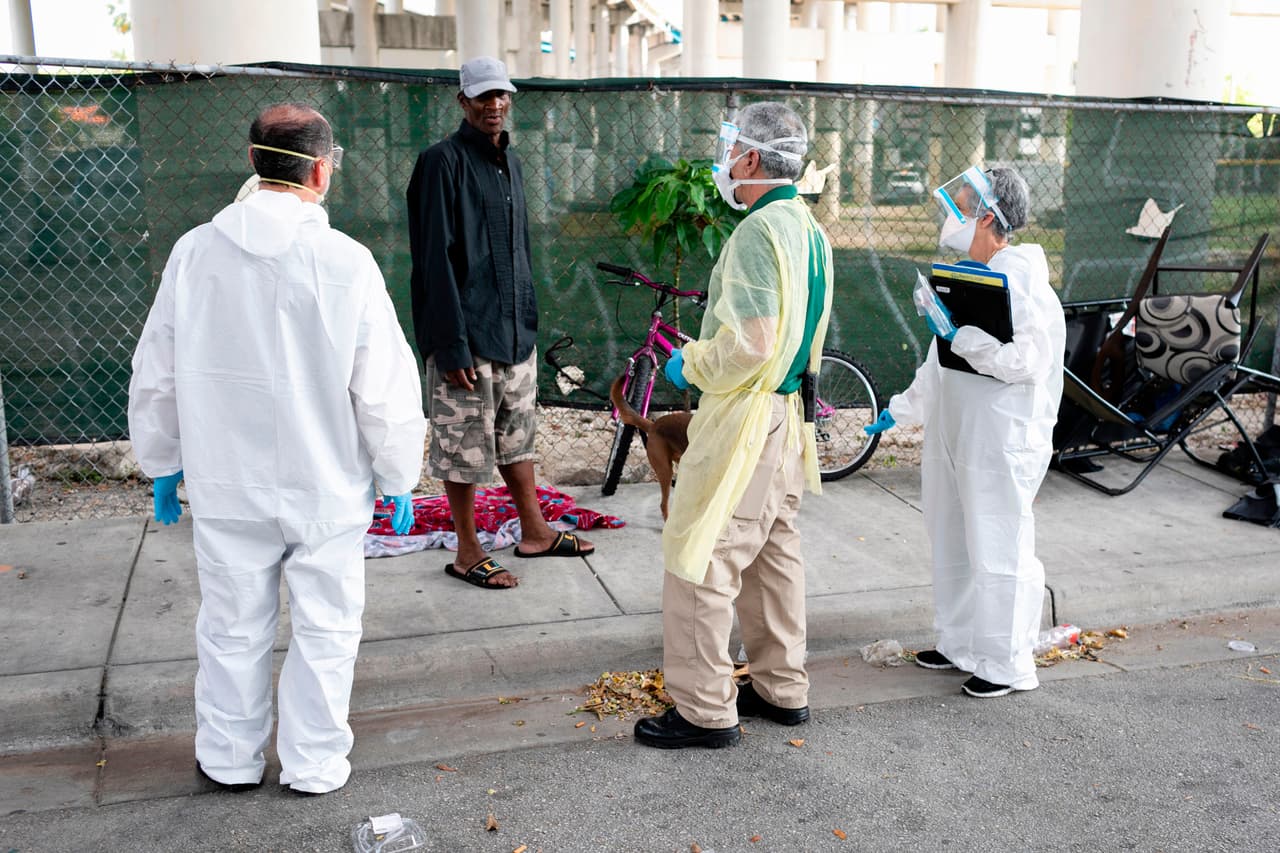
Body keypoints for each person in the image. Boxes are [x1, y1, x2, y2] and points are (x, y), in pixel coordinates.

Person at [128, 103, 427, 794]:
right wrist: (397, 473)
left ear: (253, 161)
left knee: (231, 624)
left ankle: (229, 758)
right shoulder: (346, 262)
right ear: (322, 169)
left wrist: (163, 462)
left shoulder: (194, 252)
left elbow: (158, 370)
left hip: (226, 483)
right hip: (326, 487)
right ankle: (314, 762)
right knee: (326, 629)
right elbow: (382, 385)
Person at [633, 102, 834, 749]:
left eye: (729, 149)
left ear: (750, 157)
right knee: (774, 554)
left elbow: (751, 342)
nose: (724, 162)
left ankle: (703, 709)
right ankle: (781, 686)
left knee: (702, 557)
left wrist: (689, 359)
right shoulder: (809, 228)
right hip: (788, 417)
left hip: (746, 418)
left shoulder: (756, 232)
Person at [864, 165, 1065, 698]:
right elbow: (940, 360)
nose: (949, 214)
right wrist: (902, 408)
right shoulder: (971, 273)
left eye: (960, 204)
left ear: (988, 215)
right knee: (951, 536)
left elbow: (1024, 359)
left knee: (999, 543)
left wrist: (964, 335)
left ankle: (1006, 663)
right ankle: (960, 643)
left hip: (1001, 437)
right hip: (957, 431)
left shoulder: (1021, 278)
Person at [406, 55, 592, 591]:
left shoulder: (510, 162)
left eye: (501, 96)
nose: (494, 105)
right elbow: (432, 260)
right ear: (463, 101)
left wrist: (527, 319)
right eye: (483, 97)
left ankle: (533, 531)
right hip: (466, 338)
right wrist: (449, 343)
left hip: (514, 333)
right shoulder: (440, 162)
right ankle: (468, 551)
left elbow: (518, 249)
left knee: (518, 437)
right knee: (463, 448)